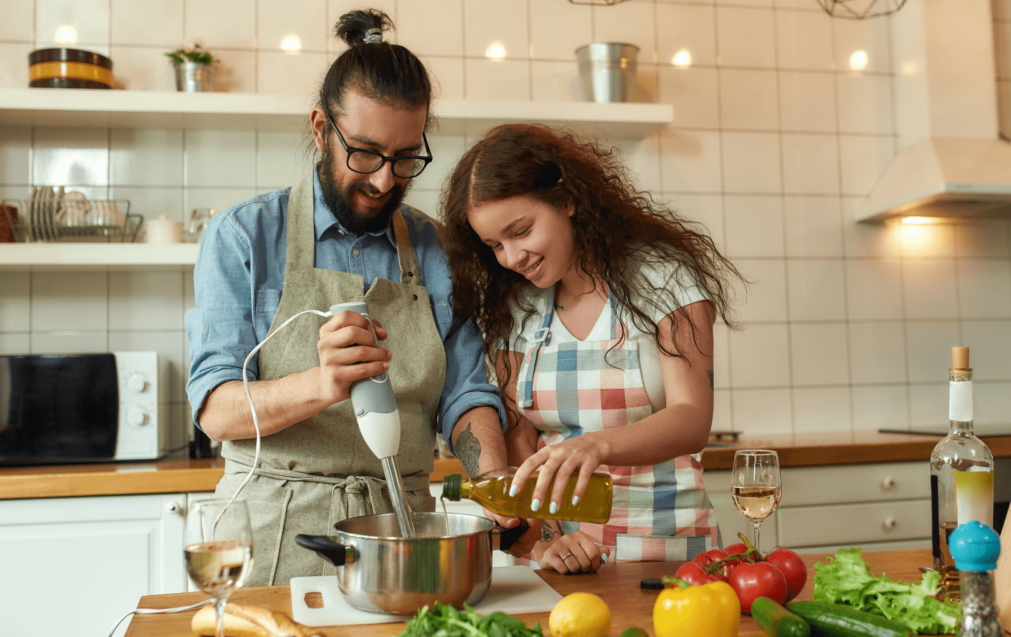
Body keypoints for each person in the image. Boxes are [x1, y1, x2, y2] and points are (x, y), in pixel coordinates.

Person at [185, 10, 518, 587]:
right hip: (275, 535)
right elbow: (217, 409)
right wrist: (324, 382)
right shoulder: (244, 237)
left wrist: (496, 487)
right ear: (320, 129)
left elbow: (466, 394)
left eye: (405, 157)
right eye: (364, 153)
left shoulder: (437, 250)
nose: (384, 180)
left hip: (405, 536)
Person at [439, 124, 744, 573]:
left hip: (669, 552)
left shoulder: (663, 278)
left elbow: (692, 417)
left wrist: (594, 446)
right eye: (494, 245)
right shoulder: (519, 304)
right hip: (568, 558)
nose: (511, 257)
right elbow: (519, 433)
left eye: (521, 231)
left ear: (566, 200)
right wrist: (547, 540)